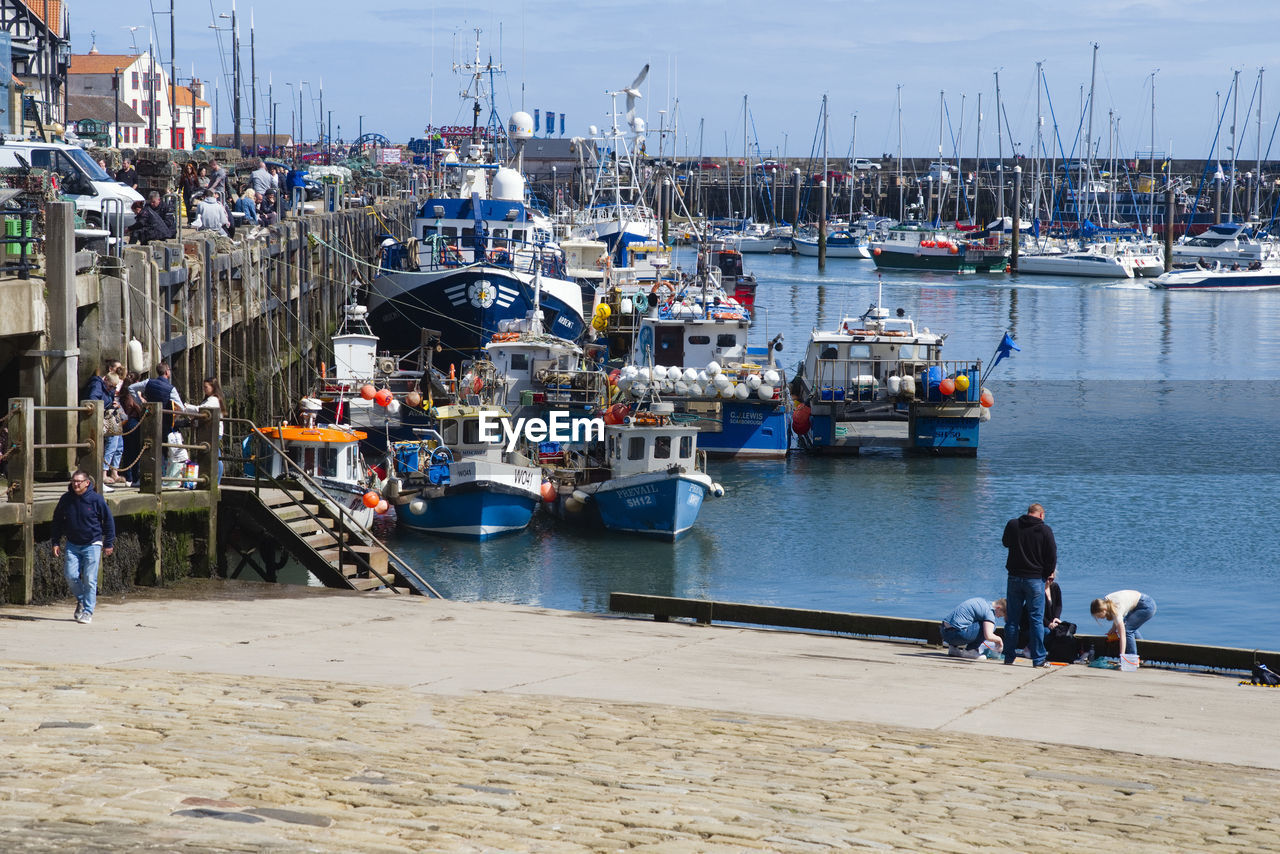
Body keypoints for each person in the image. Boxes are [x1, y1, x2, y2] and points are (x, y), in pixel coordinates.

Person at [51, 470, 115, 625]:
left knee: (89, 578)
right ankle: (82, 600)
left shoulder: (96, 499)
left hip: (92, 543)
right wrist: (55, 542)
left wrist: (109, 543)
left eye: (79, 481)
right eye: (73, 481)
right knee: (70, 575)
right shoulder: (66, 499)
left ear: (87, 483)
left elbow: (108, 521)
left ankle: (87, 611)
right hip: (73, 543)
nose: (76, 484)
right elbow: (57, 521)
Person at [1001, 502, 1057, 667]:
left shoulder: (1013, 524)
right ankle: (1038, 659)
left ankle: (1008, 657)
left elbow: (1005, 543)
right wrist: (1046, 574)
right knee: (1036, 620)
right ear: (1041, 515)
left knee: (1012, 620)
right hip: (1034, 579)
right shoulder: (1045, 530)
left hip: (1014, 577)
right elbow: (1052, 555)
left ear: (1028, 512)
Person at [1091, 590, 1156, 659]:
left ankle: (1132, 659)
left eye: (1098, 615)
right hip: (1140, 603)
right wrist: (1113, 628)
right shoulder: (1106, 602)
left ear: (1104, 610)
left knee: (1127, 630)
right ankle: (1142, 655)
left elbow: (1123, 636)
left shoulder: (1116, 610)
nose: (1098, 618)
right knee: (1129, 627)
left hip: (1146, 606)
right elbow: (1116, 615)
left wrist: (1122, 656)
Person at [128, 361, 189, 435]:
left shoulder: (148, 382)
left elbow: (131, 388)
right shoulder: (171, 389)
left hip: (150, 418)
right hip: (164, 421)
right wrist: (174, 418)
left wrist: (140, 403)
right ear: (167, 372)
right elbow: (181, 409)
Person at [941, 597, 1006, 659]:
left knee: (965, 621)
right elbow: (988, 636)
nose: (998, 617)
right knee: (991, 626)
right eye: (1000, 615)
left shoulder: (982, 601)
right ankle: (970, 651)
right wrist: (999, 640)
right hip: (958, 635)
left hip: (944, 632)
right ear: (998, 608)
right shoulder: (989, 612)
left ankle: (953, 649)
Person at [195, 376, 225, 482]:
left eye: (206, 387)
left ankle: (217, 481)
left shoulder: (213, 400)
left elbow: (201, 410)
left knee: (216, 456)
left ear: (213, 387)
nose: (204, 389)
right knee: (215, 455)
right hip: (210, 430)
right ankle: (215, 480)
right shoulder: (211, 399)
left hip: (213, 431)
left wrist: (186, 407)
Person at [102, 373, 126, 489]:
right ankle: (103, 473)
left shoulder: (110, 390)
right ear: (106, 380)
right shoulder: (100, 388)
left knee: (119, 447)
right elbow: (99, 401)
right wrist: (110, 405)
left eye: (115, 387)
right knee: (111, 447)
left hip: (116, 420)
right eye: (111, 386)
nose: (113, 389)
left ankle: (114, 472)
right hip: (108, 421)